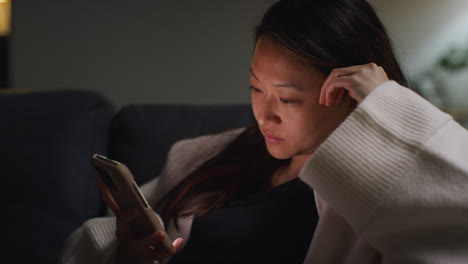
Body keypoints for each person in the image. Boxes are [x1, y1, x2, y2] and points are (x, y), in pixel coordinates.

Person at [60, 0, 468, 263]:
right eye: (255, 87)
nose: (264, 113)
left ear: (346, 94)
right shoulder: (209, 156)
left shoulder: (377, 186)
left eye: (288, 99)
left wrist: (388, 104)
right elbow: (89, 245)